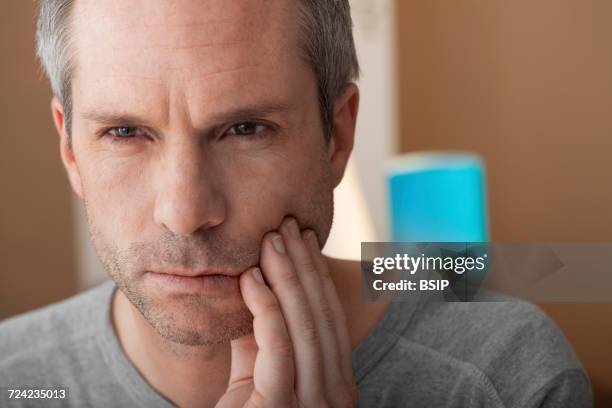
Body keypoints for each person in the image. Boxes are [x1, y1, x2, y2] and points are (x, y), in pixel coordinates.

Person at [0, 0, 592, 407]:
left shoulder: (503, 379)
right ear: (70, 149)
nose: (184, 212)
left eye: (246, 129)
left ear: (337, 135)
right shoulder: (15, 381)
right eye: (125, 133)